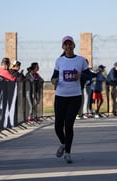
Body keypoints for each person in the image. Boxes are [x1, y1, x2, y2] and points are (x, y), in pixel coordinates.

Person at [51, 35, 91, 164]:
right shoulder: (59, 60)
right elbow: (54, 76)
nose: (68, 46)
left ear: (74, 45)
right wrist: (54, 81)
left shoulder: (80, 60)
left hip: (74, 97)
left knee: (68, 125)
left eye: (70, 44)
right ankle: (63, 143)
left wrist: (80, 75)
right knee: (58, 126)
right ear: (63, 47)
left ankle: (67, 153)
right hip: (60, 96)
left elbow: (89, 75)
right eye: (66, 44)